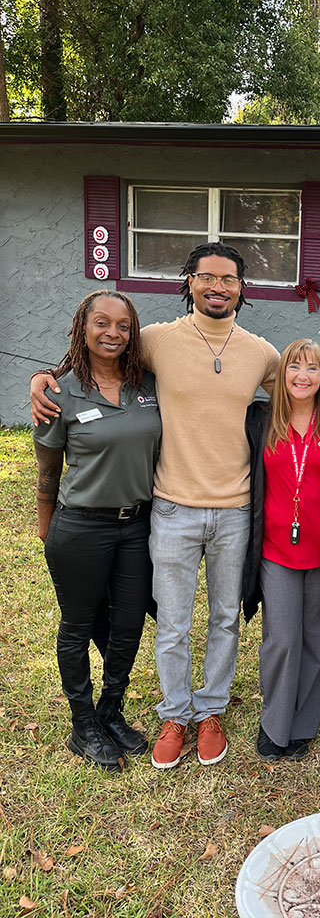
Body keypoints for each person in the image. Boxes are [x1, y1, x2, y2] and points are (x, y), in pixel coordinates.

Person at [31, 243, 280, 769]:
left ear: (242, 289)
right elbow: (97, 351)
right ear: (189, 282)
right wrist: (43, 377)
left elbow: (308, 388)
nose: (218, 287)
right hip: (169, 507)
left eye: (229, 279)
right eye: (207, 277)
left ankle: (209, 710)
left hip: (235, 509)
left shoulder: (261, 352)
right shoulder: (154, 341)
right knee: (171, 622)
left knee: (225, 618)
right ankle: (174, 713)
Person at [33, 291, 161, 769]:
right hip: (81, 527)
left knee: (127, 626)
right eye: (102, 323)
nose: (113, 333)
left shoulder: (148, 384)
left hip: (137, 527)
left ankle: (111, 710)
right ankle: (83, 723)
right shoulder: (59, 393)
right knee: (79, 625)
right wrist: (48, 531)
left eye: (123, 326)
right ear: (81, 328)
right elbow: (47, 470)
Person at [244, 339, 320, 761]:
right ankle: (274, 723)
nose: (302, 376)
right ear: (280, 375)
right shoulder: (260, 419)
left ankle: (302, 725)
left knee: (318, 638)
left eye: (312, 368)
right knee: (282, 639)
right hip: (276, 550)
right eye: (293, 367)